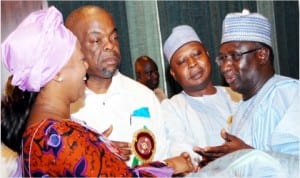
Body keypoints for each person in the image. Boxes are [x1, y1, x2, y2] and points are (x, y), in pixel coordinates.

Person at [1, 6, 195, 177]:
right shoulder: (56, 136)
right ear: (57, 72)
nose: (85, 67)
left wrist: (95, 148)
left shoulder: (48, 130)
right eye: (80, 60)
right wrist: (170, 166)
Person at [65, 5, 172, 167]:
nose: (110, 45)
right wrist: (92, 153)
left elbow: (163, 159)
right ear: (75, 49)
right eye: (96, 40)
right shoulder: (66, 109)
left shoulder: (143, 96)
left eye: (114, 37)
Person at [193, 9, 300, 168]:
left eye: (235, 56)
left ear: (262, 54)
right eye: (222, 58)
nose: (225, 67)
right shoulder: (241, 110)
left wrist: (246, 156)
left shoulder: (290, 96)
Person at [161, 25, 241, 166]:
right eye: (182, 61)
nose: (192, 63)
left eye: (197, 54)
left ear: (208, 55)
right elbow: (181, 150)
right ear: (173, 74)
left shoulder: (237, 97)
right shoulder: (171, 108)